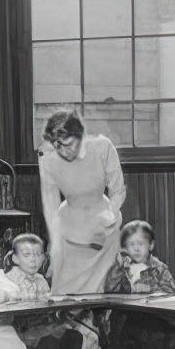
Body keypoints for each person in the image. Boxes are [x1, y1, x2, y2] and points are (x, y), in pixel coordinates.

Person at [37, 109, 127, 294]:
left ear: (81, 135)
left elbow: (117, 190)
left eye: (68, 144)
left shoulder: (102, 146)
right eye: (57, 146)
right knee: (65, 292)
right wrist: (54, 243)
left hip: (103, 221)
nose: (64, 151)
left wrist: (110, 215)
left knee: (103, 290)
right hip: (69, 224)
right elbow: (50, 202)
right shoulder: (47, 156)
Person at [103, 220, 175, 349]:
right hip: (126, 318)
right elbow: (110, 290)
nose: (136, 249)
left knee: (156, 334)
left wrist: (150, 289)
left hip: (153, 317)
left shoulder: (159, 268)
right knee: (115, 331)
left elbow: (172, 292)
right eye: (131, 245)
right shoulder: (123, 268)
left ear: (151, 245)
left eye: (141, 244)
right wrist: (116, 268)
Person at [4, 232, 82, 349]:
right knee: (52, 338)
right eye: (27, 255)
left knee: (74, 337)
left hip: (41, 327)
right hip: (21, 330)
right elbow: (13, 312)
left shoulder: (40, 280)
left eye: (38, 255)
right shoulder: (9, 280)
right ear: (15, 259)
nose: (33, 260)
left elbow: (48, 305)